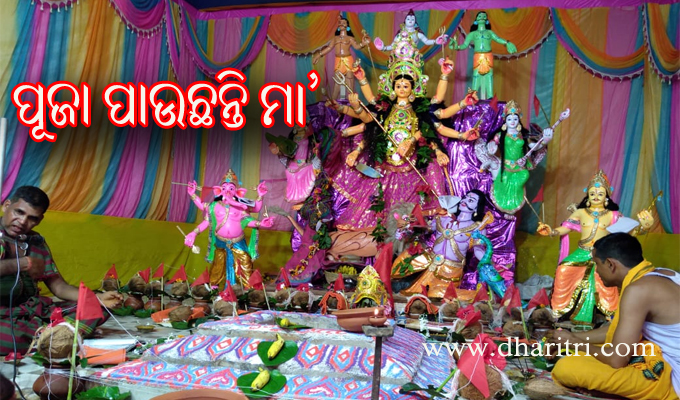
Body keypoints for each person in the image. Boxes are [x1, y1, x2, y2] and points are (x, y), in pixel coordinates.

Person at [328, 30, 478, 231]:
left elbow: (431, 122)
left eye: (406, 85)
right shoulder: (385, 108)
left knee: (422, 189)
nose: (401, 88)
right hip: (386, 163)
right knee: (375, 203)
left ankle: (412, 231)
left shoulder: (419, 109)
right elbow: (372, 127)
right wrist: (357, 150)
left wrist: (446, 77)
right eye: (398, 85)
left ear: (413, 88)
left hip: (411, 164)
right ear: (392, 87)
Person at [548, 233, 679, 400]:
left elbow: (616, 359)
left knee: (567, 367)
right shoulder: (663, 275)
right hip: (664, 359)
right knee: (582, 355)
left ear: (610, 264)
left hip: (673, 376)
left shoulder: (638, 291)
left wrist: (574, 342)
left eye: (596, 264)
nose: (596, 271)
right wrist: (571, 338)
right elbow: (620, 330)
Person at [0, 186, 122, 355]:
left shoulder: (36, 242)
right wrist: (22, 263)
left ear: (40, 220)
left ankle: (50, 337)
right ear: (6, 206)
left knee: (97, 308)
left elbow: (58, 286)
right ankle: (60, 336)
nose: (22, 221)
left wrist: (96, 298)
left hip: (29, 312)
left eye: (32, 218)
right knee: (6, 336)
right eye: (19, 212)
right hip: (2, 315)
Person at [537, 170, 654, 325]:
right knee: (563, 269)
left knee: (606, 274)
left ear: (607, 196)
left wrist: (643, 227)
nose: (596, 197)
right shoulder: (580, 212)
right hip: (582, 252)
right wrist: (551, 231)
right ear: (587, 195)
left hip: (603, 253)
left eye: (600, 194)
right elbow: (566, 227)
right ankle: (558, 310)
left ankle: (610, 311)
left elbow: (629, 232)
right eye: (592, 193)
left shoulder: (613, 215)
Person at [448, 11, 517, 99]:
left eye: (484, 16)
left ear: (487, 20)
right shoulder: (472, 34)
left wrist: (507, 43)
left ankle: (490, 97)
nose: (482, 17)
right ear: (476, 20)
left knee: (489, 75)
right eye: (479, 16)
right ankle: (473, 96)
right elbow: (464, 45)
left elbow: (498, 39)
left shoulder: (490, 33)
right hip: (478, 56)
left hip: (488, 56)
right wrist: (455, 46)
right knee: (476, 75)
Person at [312, 17, 370, 100]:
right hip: (338, 61)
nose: (341, 24)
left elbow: (357, 46)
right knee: (337, 81)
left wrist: (363, 44)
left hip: (348, 60)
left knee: (349, 81)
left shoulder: (350, 38)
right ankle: (333, 102)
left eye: (344, 23)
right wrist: (319, 55)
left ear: (347, 26)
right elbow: (329, 48)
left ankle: (352, 102)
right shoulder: (335, 38)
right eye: (340, 22)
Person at [374, 9, 447, 51]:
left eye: (412, 19)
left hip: (413, 60)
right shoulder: (400, 34)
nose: (410, 20)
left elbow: (427, 41)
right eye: (408, 19)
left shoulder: (417, 34)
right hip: (400, 59)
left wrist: (436, 41)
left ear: (415, 22)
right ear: (404, 21)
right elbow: (393, 46)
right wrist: (383, 48)